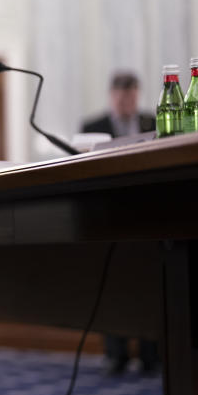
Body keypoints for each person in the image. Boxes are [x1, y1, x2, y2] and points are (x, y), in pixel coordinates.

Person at [81, 70, 158, 376]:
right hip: (108, 216)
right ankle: (116, 354)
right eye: (121, 95)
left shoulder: (152, 121)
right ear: (112, 95)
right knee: (113, 284)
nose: (127, 101)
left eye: (132, 95)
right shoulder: (93, 127)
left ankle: (152, 354)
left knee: (150, 286)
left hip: (149, 216)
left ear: (138, 94)